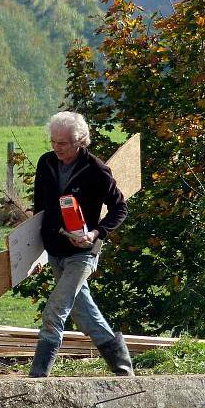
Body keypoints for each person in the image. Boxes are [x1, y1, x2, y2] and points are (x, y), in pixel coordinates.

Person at [29, 111, 133, 378]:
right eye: (53, 142)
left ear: (79, 141)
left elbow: (119, 209)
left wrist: (97, 232)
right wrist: (35, 254)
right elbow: (39, 212)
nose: (56, 148)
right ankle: (122, 368)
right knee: (84, 312)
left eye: (62, 143)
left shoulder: (96, 170)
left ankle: (38, 376)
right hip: (54, 252)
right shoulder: (46, 164)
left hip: (83, 254)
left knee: (56, 308)